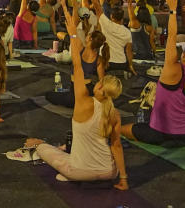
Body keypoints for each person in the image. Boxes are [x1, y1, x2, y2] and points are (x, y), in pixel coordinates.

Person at [24, 33, 127, 186]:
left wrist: (72, 33)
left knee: (47, 151)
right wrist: (123, 179)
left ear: (99, 86)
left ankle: (40, 144)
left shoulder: (82, 101)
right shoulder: (115, 114)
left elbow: (77, 66)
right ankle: (71, 168)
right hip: (109, 172)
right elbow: (116, 146)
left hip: (79, 171)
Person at [123, 0, 185, 148]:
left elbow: (172, 36)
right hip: (184, 133)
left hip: (159, 133)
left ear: (183, 56)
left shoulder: (171, 66)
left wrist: (173, 11)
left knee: (120, 128)